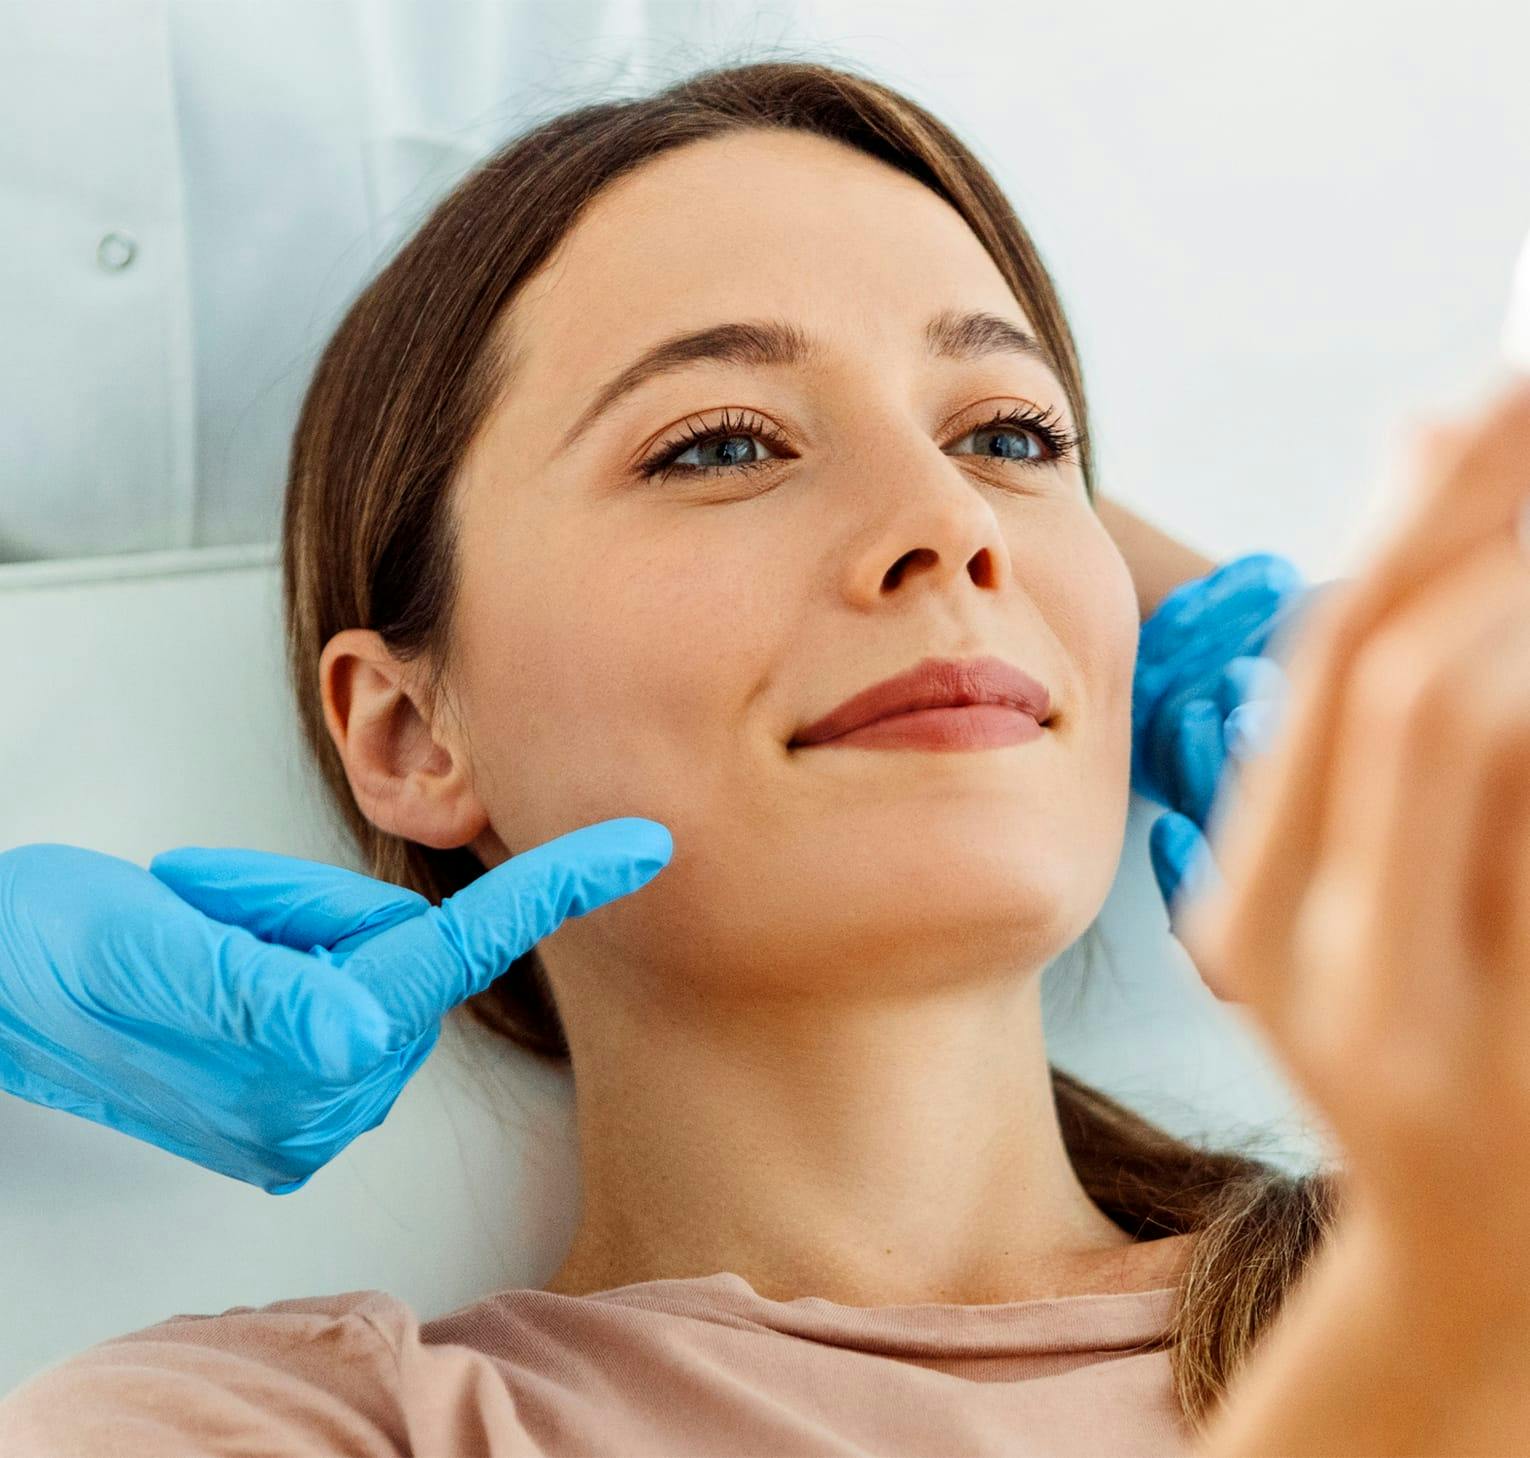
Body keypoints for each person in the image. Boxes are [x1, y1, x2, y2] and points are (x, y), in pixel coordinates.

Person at [4, 55, 1434, 1458]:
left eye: (1007, 432)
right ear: (409, 728)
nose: (948, 520)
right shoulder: (270, 1428)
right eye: (717, 447)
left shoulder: (1462, 1301)